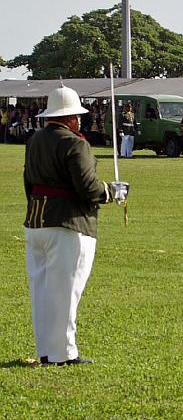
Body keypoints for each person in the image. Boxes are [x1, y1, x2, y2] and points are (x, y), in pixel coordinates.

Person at [23, 84, 127, 366]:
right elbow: (87, 187)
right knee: (66, 292)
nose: (79, 120)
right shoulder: (75, 143)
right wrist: (111, 191)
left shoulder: (34, 140)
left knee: (42, 292)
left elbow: (28, 183)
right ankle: (63, 354)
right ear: (69, 118)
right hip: (68, 223)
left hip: (36, 221)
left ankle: (46, 350)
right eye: (77, 115)